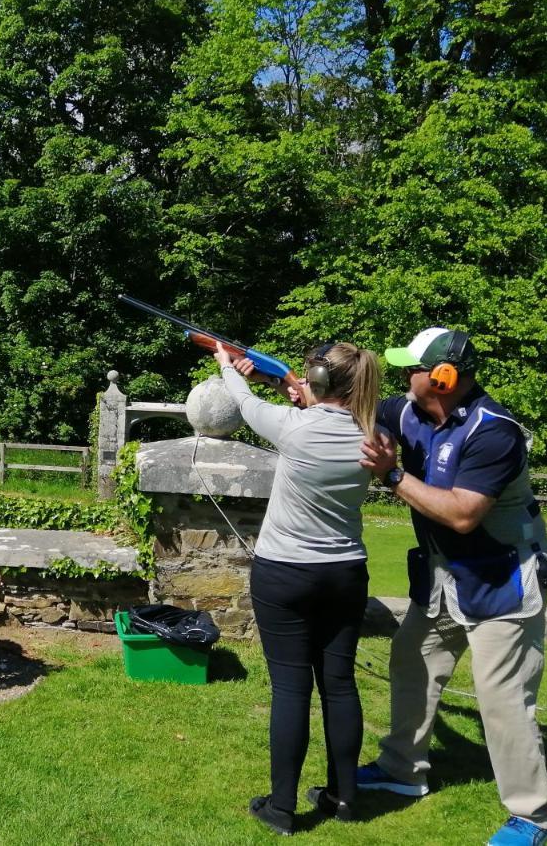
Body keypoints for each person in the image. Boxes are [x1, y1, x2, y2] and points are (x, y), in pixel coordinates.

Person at [357, 327, 547, 846]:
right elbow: (350, 409)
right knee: (412, 663)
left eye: (414, 368)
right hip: (445, 577)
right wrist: (301, 387)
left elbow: (464, 515)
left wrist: (393, 476)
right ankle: (403, 770)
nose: (405, 377)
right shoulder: (408, 411)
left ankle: (534, 818)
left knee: (503, 699)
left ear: (444, 378)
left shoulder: (496, 433)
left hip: (502, 582)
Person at [216, 341, 381, 836]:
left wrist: (228, 367)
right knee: (339, 685)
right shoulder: (373, 436)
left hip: (285, 572)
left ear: (321, 380)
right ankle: (343, 796)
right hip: (345, 573)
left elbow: (243, 406)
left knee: (291, 688)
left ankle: (282, 807)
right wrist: (287, 385)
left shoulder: (294, 428)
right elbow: (311, 408)